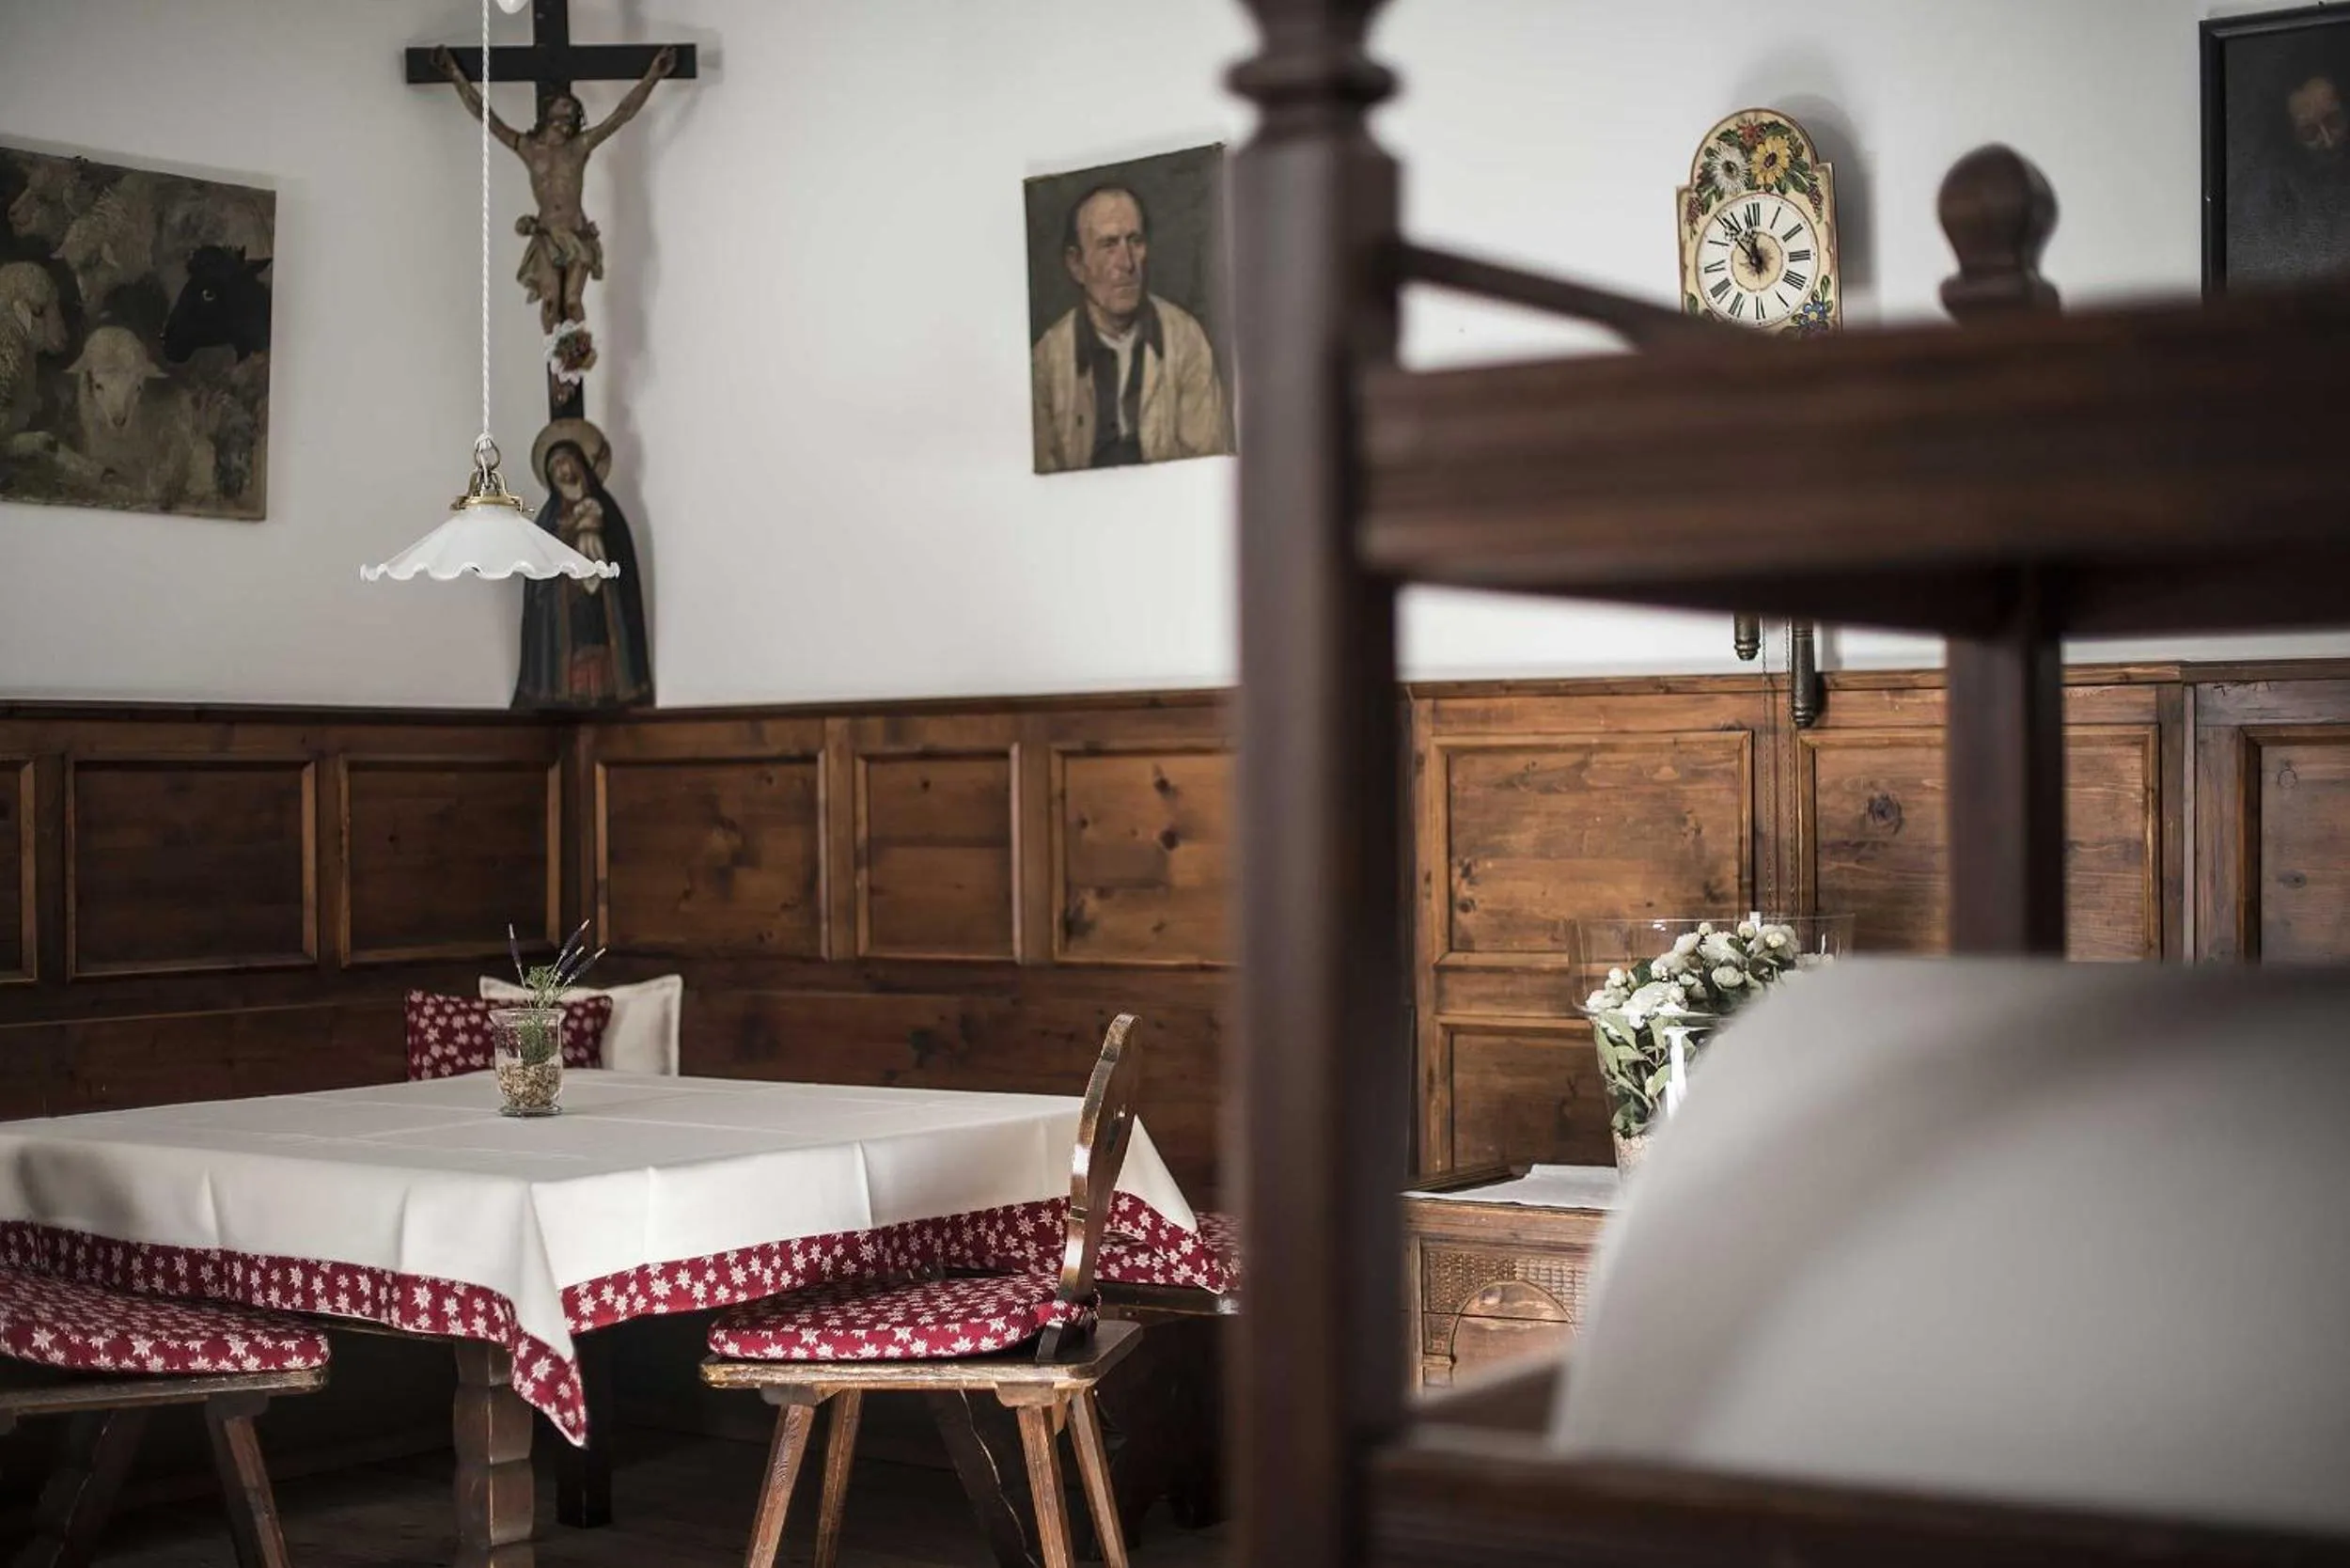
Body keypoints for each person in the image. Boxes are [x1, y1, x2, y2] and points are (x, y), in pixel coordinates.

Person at [433, 44, 676, 330]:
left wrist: (653, 76)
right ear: (548, 113)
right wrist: (454, 74)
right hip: (546, 234)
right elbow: (485, 115)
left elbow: (621, 114)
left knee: (571, 302)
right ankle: (554, 355)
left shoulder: (579, 147)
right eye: (563, 111)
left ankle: (577, 352)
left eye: (572, 116)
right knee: (550, 301)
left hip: (575, 232)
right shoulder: (527, 147)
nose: (568, 119)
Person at [1031, 184, 1233, 473]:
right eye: (1108, 245)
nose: (1126, 263)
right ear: (1076, 264)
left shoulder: (1186, 339)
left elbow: (1210, 466)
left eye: (1135, 241)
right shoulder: (1047, 360)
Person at [512, 418, 651, 710]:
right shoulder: (549, 519)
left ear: (581, 465)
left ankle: (612, 690)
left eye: (566, 462)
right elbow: (539, 583)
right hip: (565, 608)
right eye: (555, 467)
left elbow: (623, 570)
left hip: (603, 605)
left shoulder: (607, 511)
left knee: (601, 648)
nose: (563, 471)